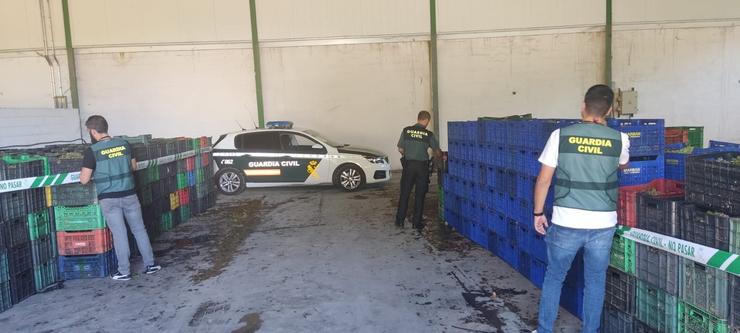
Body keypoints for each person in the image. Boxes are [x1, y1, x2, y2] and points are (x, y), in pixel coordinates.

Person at [532, 85, 630, 333]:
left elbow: (544, 180)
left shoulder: (560, 136)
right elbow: (622, 164)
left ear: (583, 106)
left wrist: (538, 213)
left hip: (567, 220)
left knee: (555, 277)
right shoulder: (620, 139)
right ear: (608, 110)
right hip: (603, 224)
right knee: (595, 282)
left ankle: (544, 330)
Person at [80, 115, 161, 281]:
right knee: (139, 230)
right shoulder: (124, 144)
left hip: (109, 199)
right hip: (129, 194)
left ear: (93, 131)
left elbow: (84, 179)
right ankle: (150, 264)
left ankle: (124, 271)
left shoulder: (92, 152)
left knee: (120, 234)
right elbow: (133, 166)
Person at [395, 110, 441, 230]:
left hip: (408, 166)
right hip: (422, 167)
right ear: (426, 120)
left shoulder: (406, 130)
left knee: (404, 193)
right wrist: (441, 156)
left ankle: (399, 221)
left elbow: (400, 148)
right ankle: (417, 223)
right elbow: (436, 151)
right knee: (420, 195)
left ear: (418, 118)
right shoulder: (428, 134)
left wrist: (408, 154)